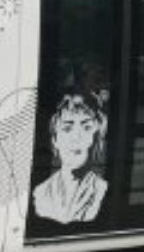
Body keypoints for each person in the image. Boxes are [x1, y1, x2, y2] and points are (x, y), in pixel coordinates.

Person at [32, 90, 109, 224]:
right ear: (55, 139)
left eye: (86, 127)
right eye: (67, 129)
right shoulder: (40, 192)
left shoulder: (102, 189)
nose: (76, 137)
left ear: (97, 137)